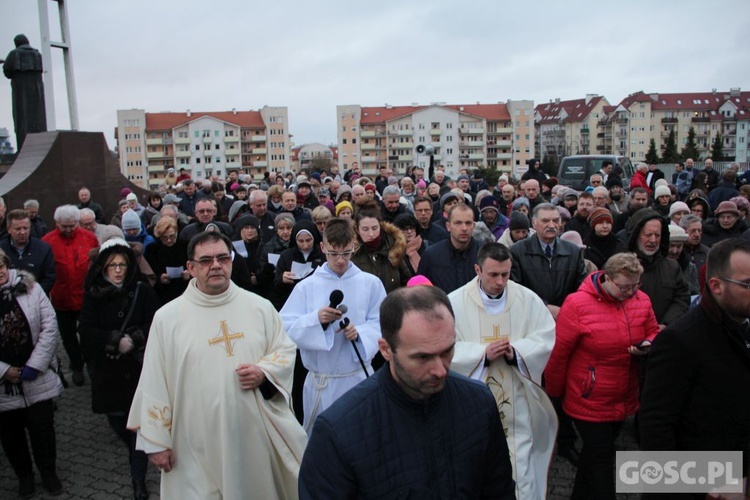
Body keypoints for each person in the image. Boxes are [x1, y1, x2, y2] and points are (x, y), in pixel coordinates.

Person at [127, 231, 307, 498]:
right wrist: (156, 441)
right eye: (206, 260)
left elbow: (284, 350)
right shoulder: (167, 318)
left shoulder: (260, 308)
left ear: (231, 262)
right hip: (192, 439)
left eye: (223, 258)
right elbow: (155, 378)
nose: (216, 265)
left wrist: (263, 371)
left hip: (250, 437)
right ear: (190, 267)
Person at [298, 285, 516, 499]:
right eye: (422, 357)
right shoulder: (338, 430)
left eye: (447, 351)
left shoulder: (478, 402)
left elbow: (499, 488)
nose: (440, 370)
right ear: (385, 349)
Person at [545, 253, 660, 500]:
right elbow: (560, 353)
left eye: (635, 286)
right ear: (607, 278)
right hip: (588, 396)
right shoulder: (576, 304)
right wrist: (554, 394)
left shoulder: (641, 300)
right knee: (602, 461)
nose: (631, 293)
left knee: (593, 457)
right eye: (624, 287)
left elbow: (653, 329)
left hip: (623, 393)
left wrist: (648, 343)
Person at [639, 239, 750, 493]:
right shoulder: (680, 339)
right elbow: (656, 428)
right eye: (748, 284)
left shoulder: (743, 326)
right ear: (716, 286)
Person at [450, 242, 557, 499]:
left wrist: (517, 352)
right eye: (493, 275)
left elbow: (544, 336)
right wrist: (481, 354)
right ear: (477, 269)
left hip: (517, 400)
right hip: (472, 399)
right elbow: (444, 346)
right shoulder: (454, 302)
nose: (500, 281)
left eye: (505, 274)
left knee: (520, 463)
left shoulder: (527, 299)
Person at [280, 218, 386, 433]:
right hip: (321, 382)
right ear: (322, 247)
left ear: (354, 246)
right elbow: (284, 328)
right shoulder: (306, 286)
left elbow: (382, 322)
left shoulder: (370, 283)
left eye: (346, 253)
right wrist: (315, 320)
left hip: (355, 377)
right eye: (333, 253)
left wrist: (360, 334)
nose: (340, 261)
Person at [79, 239, 159, 500]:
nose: (117, 270)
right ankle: (139, 450)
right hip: (108, 369)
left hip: (138, 366)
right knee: (118, 421)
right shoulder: (93, 293)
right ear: (103, 267)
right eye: (112, 265)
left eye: (122, 265)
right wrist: (112, 340)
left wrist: (135, 338)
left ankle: (138, 479)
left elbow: (155, 322)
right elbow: (87, 330)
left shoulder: (141, 290)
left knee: (136, 427)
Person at [0, 249, 63, 498]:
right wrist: (5, 371)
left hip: (36, 375)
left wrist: (34, 365)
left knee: (43, 430)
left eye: (1, 266)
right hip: (5, 385)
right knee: (10, 435)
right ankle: (24, 476)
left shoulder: (31, 288)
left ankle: (48, 471)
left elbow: (49, 325)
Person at [42, 205, 99, 386]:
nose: (68, 230)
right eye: (64, 226)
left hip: (85, 297)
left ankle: (92, 363)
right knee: (68, 336)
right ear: (56, 223)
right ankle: (76, 365)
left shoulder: (89, 238)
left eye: (72, 226)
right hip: (61, 298)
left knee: (88, 333)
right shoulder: (47, 241)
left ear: (78, 223)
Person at [417, 203, 480, 294]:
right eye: (458, 223)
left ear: (474, 226)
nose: (464, 228)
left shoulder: (484, 254)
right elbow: (422, 292)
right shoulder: (431, 255)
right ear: (448, 226)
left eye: (468, 223)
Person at [352, 199, 410, 293]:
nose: (371, 234)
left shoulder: (395, 248)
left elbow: (406, 280)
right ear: (357, 230)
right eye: (365, 229)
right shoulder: (352, 254)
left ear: (380, 226)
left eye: (374, 228)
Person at [3, 34, 46, 150]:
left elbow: (7, 71)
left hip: (20, 93)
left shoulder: (14, 53)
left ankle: (24, 148)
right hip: (38, 92)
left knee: (22, 119)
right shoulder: (38, 54)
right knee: (39, 119)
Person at [0, 209, 56, 295]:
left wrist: (34, 296)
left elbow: (49, 277)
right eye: (18, 229)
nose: (22, 232)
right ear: (9, 229)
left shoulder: (43, 248)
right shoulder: (1, 249)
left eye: (25, 228)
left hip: (36, 300)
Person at [143, 217, 189, 305]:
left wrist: (189, 275)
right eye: (164, 237)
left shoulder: (186, 246)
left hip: (184, 291)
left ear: (177, 232)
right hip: (162, 295)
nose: (169, 240)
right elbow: (147, 274)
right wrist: (159, 278)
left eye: (172, 236)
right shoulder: (152, 250)